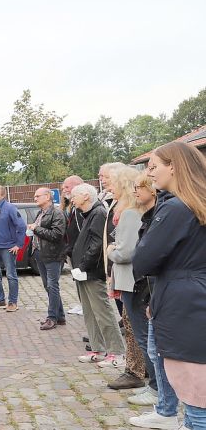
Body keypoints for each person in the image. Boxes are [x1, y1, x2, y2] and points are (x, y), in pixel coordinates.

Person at [133, 142, 206, 430]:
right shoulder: (195, 203)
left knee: (196, 403)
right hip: (193, 299)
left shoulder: (176, 207)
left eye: (154, 166)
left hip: (184, 304)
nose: (150, 174)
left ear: (173, 166)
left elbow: (143, 260)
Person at [69, 183, 125, 364]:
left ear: (86, 196)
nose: (72, 199)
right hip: (83, 272)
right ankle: (97, 348)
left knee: (102, 312)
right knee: (89, 312)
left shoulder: (98, 213)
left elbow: (96, 245)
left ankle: (116, 351)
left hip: (92, 272)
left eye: (75, 195)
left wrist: (83, 266)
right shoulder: (88, 214)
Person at [103, 166, 146, 390]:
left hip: (130, 279)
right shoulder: (134, 210)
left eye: (114, 183)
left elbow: (126, 252)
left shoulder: (129, 213)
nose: (111, 188)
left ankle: (135, 371)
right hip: (132, 278)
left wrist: (111, 251)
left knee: (133, 327)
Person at [123, 172, 161, 407]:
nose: (135, 191)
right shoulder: (147, 216)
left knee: (150, 339)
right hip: (142, 283)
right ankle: (156, 386)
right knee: (146, 339)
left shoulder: (161, 214)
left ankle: (158, 388)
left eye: (139, 187)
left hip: (149, 285)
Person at [27, 187, 67, 330]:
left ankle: (51, 318)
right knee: (48, 286)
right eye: (35, 196)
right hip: (40, 253)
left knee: (52, 285)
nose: (35, 198)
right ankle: (60, 316)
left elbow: (57, 235)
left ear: (48, 197)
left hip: (53, 255)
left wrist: (36, 228)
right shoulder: (41, 212)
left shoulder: (57, 213)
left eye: (38, 196)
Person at [0, 186, 26, 312]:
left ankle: (13, 302)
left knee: (11, 275)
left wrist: (18, 244)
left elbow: (22, 226)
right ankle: (0, 299)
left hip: (7, 247)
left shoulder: (10, 208)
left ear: (3, 196)